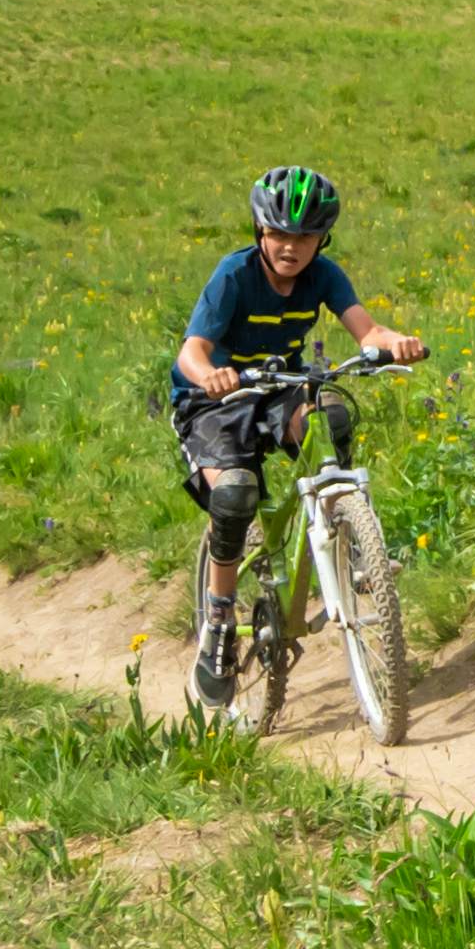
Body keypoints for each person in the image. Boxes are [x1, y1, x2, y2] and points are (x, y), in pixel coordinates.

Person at [173, 164, 426, 709]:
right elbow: (191, 351)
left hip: (276, 387)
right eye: (280, 234)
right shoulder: (233, 276)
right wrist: (210, 374)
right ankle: (217, 621)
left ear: (322, 240)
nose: (291, 247)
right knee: (236, 492)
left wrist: (397, 341)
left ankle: (350, 541)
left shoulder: (324, 276)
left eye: (305, 236)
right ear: (260, 233)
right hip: (210, 400)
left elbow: (368, 330)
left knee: (330, 414)